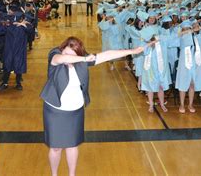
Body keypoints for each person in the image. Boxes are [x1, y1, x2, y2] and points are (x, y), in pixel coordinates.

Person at [40, 36, 145, 176]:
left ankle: (72, 174)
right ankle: (54, 174)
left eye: (72, 55)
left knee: (72, 146)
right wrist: (83, 59)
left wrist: (132, 51)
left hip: (75, 111)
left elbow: (107, 55)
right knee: (56, 148)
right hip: (55, 110)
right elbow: (61, 59)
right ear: (62, 49)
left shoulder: (81, 61)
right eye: (66, 52)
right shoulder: (55, 56)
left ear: (78, 54)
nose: (67, 57)